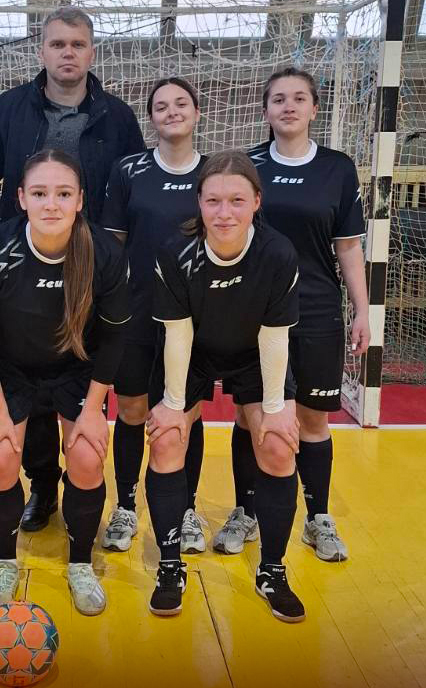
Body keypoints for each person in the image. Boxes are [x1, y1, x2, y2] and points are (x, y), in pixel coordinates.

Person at [0, 7, 144, 533]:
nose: (67, 53)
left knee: (76, 375)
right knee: (27, 377)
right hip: (23, 265)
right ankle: (42, 488)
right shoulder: (11, 108)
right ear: (42, 51)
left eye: (77, 44)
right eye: (57, 44)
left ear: (91, 52)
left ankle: (85, 495)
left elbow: (131, 188)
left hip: (89, 269)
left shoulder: (117, 117)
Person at [0, 149, 131, 616]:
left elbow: (114, 337)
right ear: (20, 198)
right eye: (39, 193)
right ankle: (4, 562)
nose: (51, 204)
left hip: (77, 368)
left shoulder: (103, 252)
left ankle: (80, 563)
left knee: (87, 457)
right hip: (11, 370)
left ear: (80, 200)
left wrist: (93, 410)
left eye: (63, 194)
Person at [145, 151, 304, 621]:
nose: (224, 213)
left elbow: (274, 337)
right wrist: (174, 405)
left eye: (236, 200)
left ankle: (272, 570)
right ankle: (170, 566)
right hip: (191, 351)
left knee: (277, 445)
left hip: (255, 354)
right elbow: (178, 334)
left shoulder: (277, 253)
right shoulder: (176, 251)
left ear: (257, 201)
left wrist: (275, 409)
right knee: (167, 438)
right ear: (198, 203)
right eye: (213, 201)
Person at [232, 66, 369, 562]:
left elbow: (348, 247)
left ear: (314, 108)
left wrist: (362, 310)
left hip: (315, 310)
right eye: (278, 99)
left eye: (298, 98)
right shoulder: (246, 166)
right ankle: (245, 512)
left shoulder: (337, 168)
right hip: (255, 311)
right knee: (251, 416)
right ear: (266, 110)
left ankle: (318, 518)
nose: (288, 106)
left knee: (312, 418)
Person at [100, 77, 208, 553]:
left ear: (197, 112)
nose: (171, 112)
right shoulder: (128, 170)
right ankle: (125, 505)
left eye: (181, 103)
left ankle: (185, 509)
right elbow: (113, 244)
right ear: (151, 118)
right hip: (136, 312)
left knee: (186, 414)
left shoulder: (215, 172)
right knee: (131, 410)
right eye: (161, 106)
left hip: (194, 318)